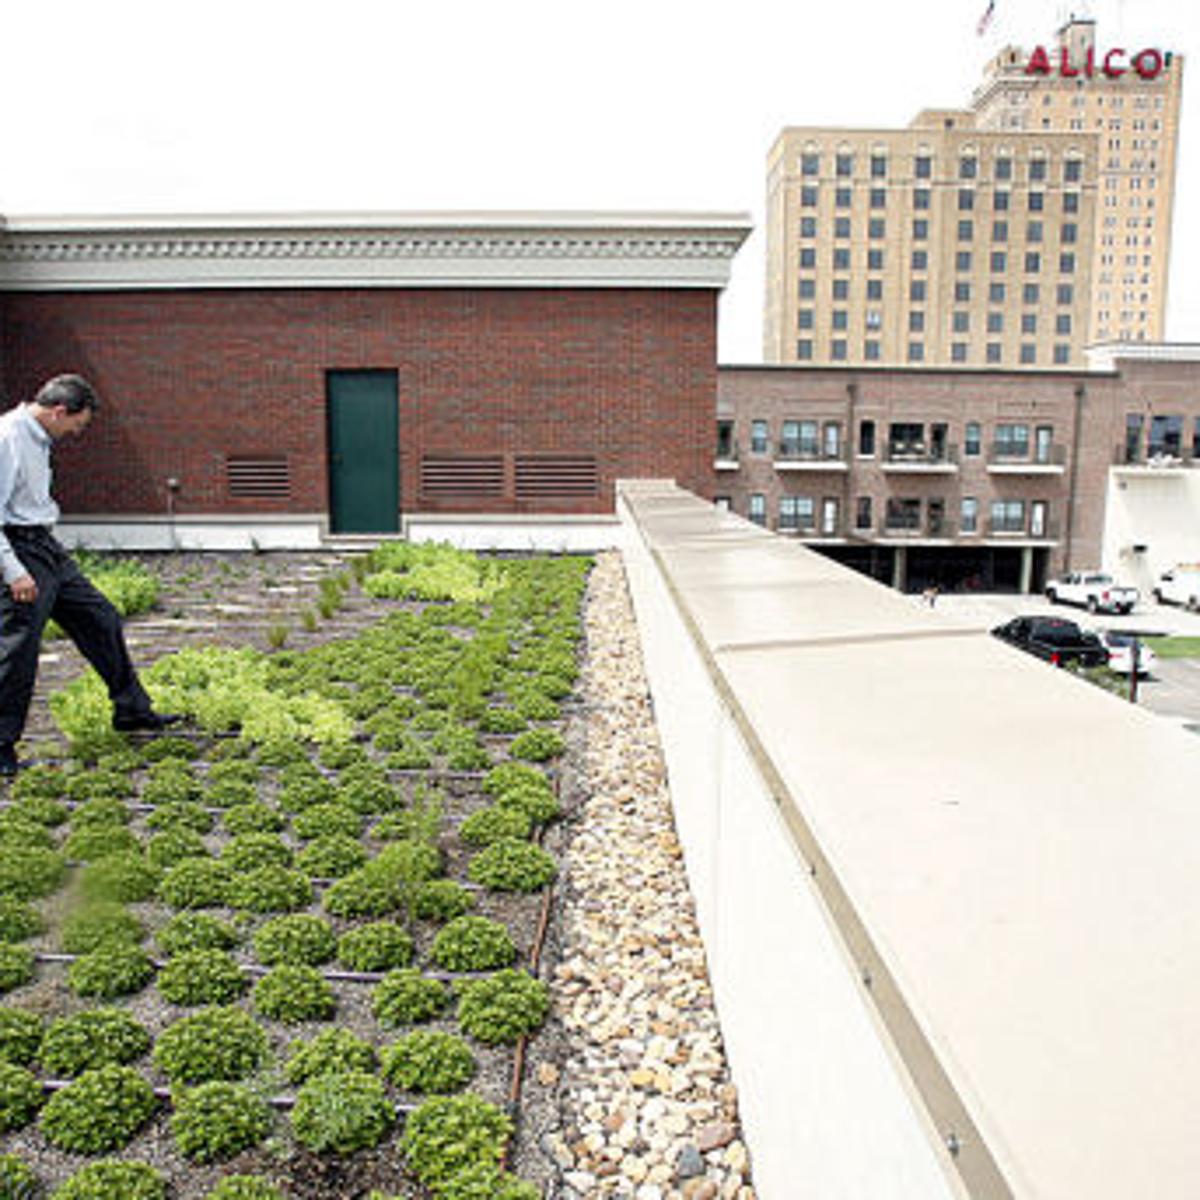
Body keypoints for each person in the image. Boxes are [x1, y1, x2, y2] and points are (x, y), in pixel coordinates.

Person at [0, 374, 180, 775]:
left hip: (44, 547)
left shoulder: (39, 438)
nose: (77, 433)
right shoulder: (8, 438)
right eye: (76, 425)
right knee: (19, 649)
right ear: (59, 410)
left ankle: (132, 710)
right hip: (18, 549)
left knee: (100, 617)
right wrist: (13, 572)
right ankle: (1, 746)